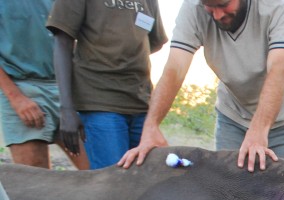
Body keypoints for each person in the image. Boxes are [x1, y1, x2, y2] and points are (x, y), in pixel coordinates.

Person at [118, 0, 284, 174]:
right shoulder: (193, 7)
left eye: (223, 4)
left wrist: (258, 131)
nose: (218, 15)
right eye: (209, 6)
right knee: (230, 190)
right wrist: (151, 126)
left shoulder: (280, 4)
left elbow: (279, 69)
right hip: (233, 117)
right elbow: (175, 67)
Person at [46, 0, 167, 169]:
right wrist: (66, 109)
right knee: (113, 179)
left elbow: (155, 41)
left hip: (141, 101)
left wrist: (123, 54)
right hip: (100, 102)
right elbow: (62, 41)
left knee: (147, 176)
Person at [0, 1, 88, 170]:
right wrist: (16, 98)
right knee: (34, 177)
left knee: (97, 169)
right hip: (22, 86)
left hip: (68, 85)